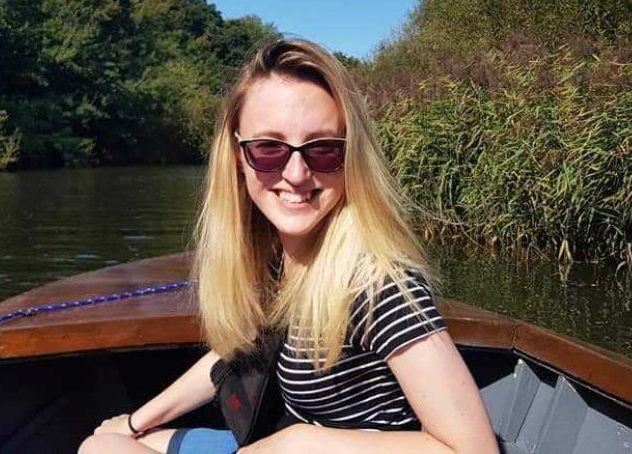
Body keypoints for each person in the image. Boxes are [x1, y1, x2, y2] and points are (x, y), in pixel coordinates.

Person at [79, 38, 499, 454]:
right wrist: (137, 421)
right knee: (107, 443)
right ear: (237, 155)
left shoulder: (376, 286)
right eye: (268, 149)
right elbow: (237, 354)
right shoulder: (286, 258)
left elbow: (474, 450)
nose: (296, 174)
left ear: (351, 157)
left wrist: (300, 441)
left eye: (323, 150)